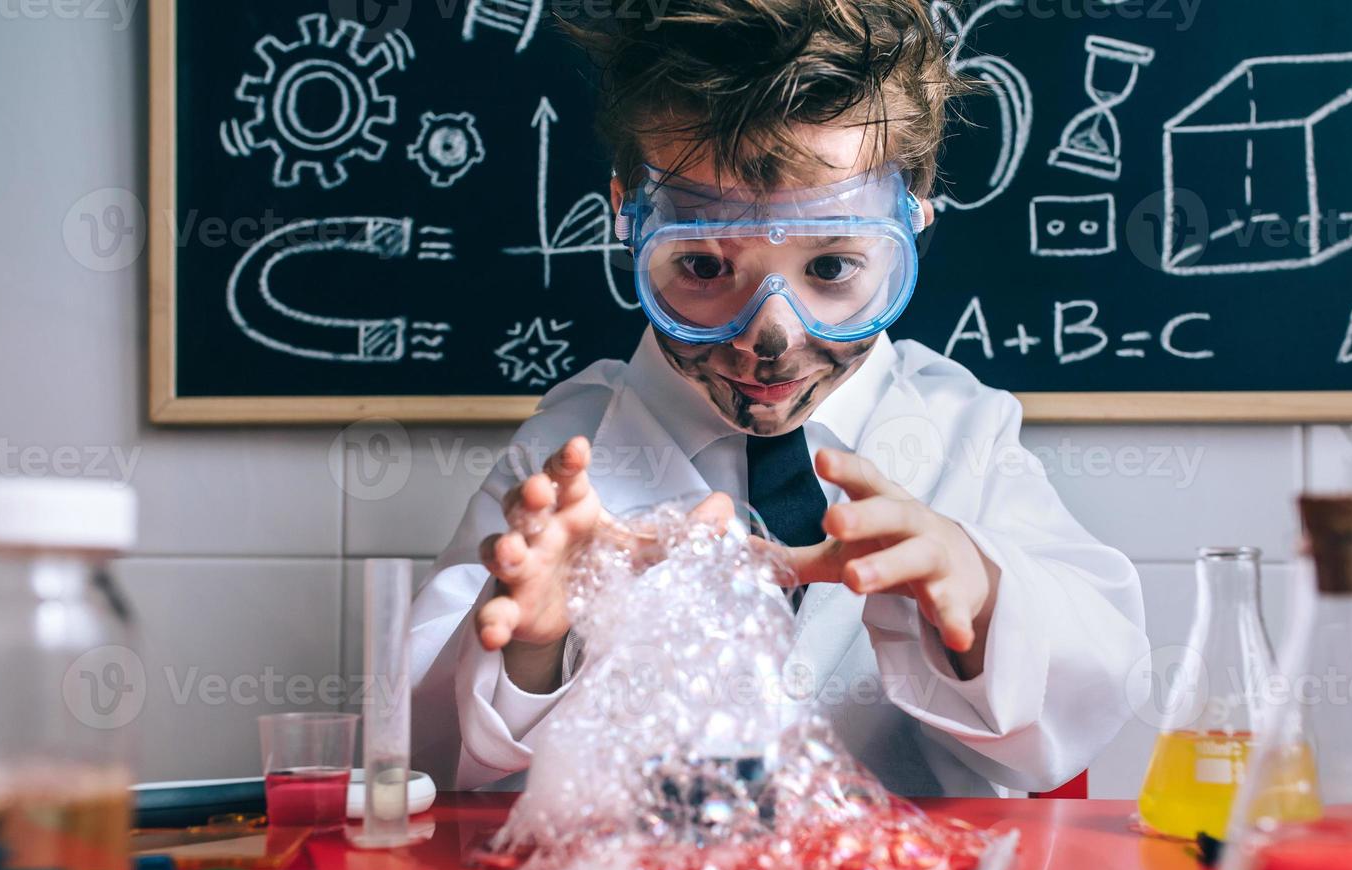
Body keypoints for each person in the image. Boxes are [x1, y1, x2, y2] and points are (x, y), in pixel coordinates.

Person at [410, 0, 1148, 796]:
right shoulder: (566, 459)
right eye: (699, 268)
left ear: (913, 220)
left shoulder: (960, 430)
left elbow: (1096, 687)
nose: (769, 336)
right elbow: (421, 753)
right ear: (627, 218)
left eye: (829, 269)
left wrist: (975, 593)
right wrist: (533, 646)